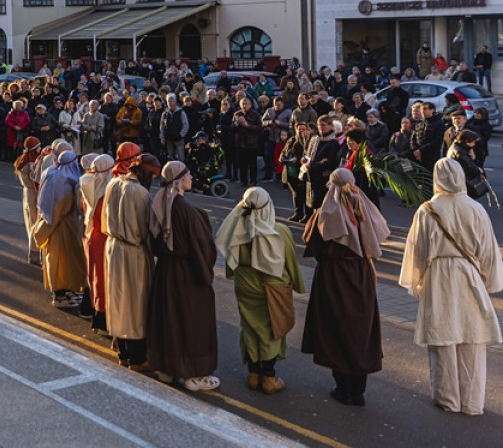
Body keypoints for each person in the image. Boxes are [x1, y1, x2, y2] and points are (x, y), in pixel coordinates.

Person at [399, 158, 502, 415]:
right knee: (472, 339)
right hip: (469, 275)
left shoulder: (427, 210)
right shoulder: (476, 209)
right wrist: (488, 279)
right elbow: (489, 250)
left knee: (442, 338)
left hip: (438, 277)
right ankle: (472, 402)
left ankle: (448, 399)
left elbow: (417, 250)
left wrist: (417, 281)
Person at [301, 167, 390, 406]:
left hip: (334, 275)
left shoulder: (325, 213)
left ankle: (343, 387)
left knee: (336, 328)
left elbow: (312, 245)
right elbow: (378, 239)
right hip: (361, 274)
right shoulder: (366, 210)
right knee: (360, 328)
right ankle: (358, 390)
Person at [217, 187, 305, 395]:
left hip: (244, 283)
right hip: (273, 286)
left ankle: (253, 374)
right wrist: (298, 285)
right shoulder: (279, 231)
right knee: (272, 330)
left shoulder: (237, 228)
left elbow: (231, 259)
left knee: (249, 326)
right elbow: (291, 263)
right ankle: (269, 378)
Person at [145, 161, 220, 391]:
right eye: (188, 174)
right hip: (187, 275)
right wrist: (205, 275)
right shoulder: (187, 212)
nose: (191, 178)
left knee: (169, 320)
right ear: (179, 180)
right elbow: (203, 249)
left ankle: (168, 368)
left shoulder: (159, 205)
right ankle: (192, 374)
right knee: (191, 321)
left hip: (166, 271)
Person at [102, 146, 156, 368]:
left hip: (113, 246)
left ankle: (122, 351)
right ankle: (137, 357)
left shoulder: (113, 183)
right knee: (135, 306)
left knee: (117, 300)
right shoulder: (141, 193)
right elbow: (146, 229)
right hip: (134, 252)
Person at [34, 146, 87, 308]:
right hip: (64, 226)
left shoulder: (50, 174)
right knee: (65, 262)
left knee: (54, 260)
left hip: (51, 224)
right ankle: (61, 296)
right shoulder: (67, 181)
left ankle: (61, 294)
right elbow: (59, 209)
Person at [79, 153, 116, 333]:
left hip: (90, 234)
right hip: (103, 237)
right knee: (104, 278)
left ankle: (95, 312)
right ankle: (103, 316)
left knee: (93, 276)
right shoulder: (106, 191)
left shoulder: (87, 183)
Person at [14, 136, 43, 266]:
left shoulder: (22, 159)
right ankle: (34, 253)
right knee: (35, 224)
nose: (40, 148)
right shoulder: (32, 163)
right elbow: (36, 179)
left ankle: (34, 252)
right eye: (38, 146)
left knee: (30, 223)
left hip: (26, 193)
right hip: (34, 193)